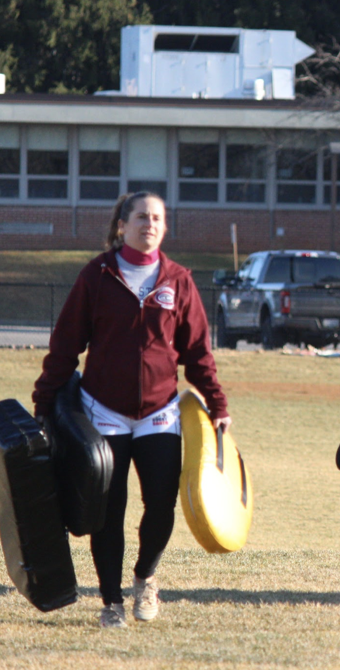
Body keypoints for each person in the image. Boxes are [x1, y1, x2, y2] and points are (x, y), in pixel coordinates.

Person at [32, 191, 231, 628]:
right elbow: (66, 346)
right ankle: (111, 602)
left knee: (161, 503)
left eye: (158, 218)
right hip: (102, 410)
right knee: (109, 509)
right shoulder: (97, 275)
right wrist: (44, 401)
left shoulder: (178, 280)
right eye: (142, 217)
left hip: (160, 411)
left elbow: (198, 352)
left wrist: (217, 403)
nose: (150, 224)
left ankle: (145, 578)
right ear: (122, 224)